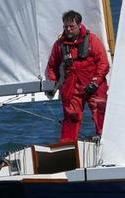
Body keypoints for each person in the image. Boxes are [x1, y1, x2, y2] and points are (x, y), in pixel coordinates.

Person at [45, 10, 110, 142]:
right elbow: (52, 66)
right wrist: (52, 83)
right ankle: (68, 145)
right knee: (71, 116)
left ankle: (106, 139)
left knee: (100, 110)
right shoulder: (59, 45)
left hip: (94, 84)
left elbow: (103, 63)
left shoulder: (92, 40)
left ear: (79, 25)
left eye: (71, 26)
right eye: (65, 27)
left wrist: (96, 82)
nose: (68, 29)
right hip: (72, 86)